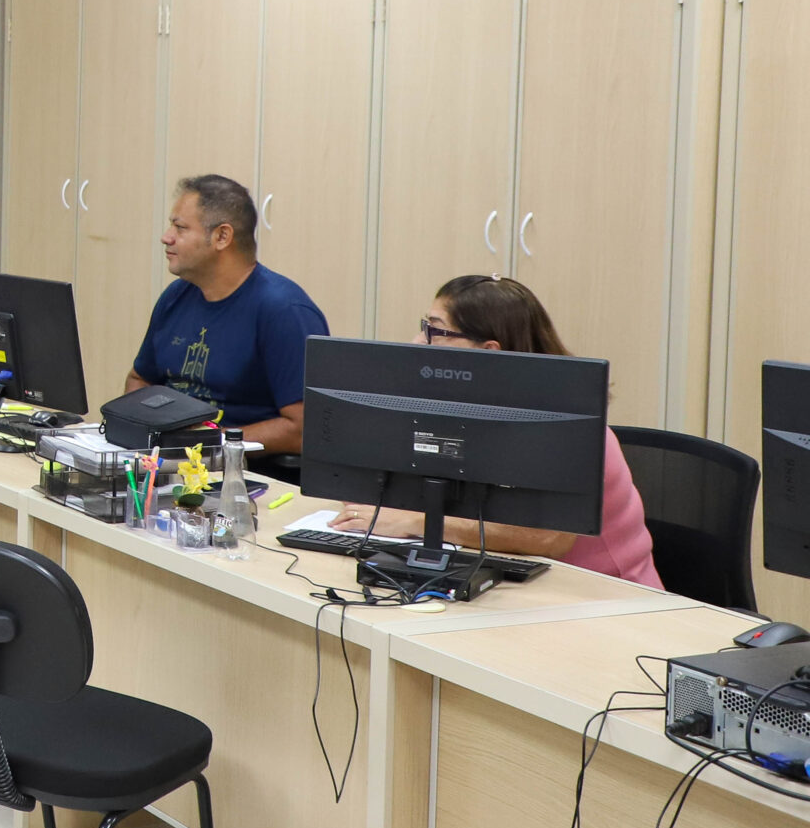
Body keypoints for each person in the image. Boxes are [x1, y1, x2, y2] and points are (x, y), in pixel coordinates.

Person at [331, 275, 662, 587]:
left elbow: (549, 539)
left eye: (435, 330)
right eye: (423, 327)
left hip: (604, 597)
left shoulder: (568, 429)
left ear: (489, 351)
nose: (418, 342)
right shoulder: (463, 409)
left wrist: (415, 522)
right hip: (513, 582)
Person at [123, 174, 328, 458]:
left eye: (180, 228)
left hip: (245, 472)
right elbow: (139, 379)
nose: (166, 237)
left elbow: (304, 429)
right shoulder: (175, 296)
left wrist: (204, 444)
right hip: (169, 462)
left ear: (222, 237)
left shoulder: (284, 311)